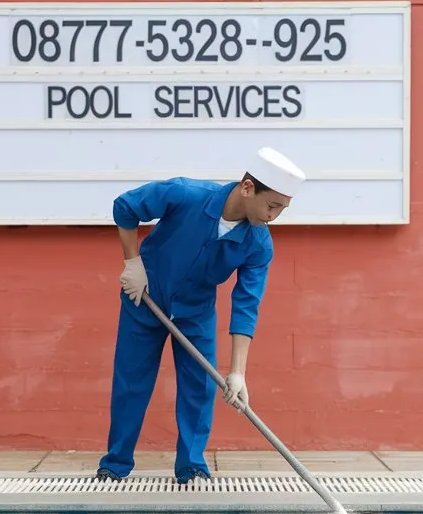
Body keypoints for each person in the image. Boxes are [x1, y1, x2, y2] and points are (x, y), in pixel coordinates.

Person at [95, 146, 307, 484]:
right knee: (131, 383)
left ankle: (191, 466)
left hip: (196, 312)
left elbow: (246, 305)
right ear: (248, 187)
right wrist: (132, 262)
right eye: (272, 206)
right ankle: (115, 464)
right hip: (144, 296)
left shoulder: (259, 244)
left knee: (199, 388)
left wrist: (238, 372)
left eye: (282, 209)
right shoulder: (187, 194)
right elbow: (125, 206)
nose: (274, 217)